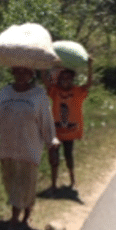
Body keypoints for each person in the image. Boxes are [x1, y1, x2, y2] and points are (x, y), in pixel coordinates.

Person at [0, 67, 59, 230]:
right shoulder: (4, 93)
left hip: (29, 149)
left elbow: (46, 122)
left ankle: (13, 223)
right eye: (17, 72)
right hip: (8, 149)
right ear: (12, 72)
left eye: (25, 72)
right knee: (15, 186)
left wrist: (51, 144)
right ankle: (25, 216)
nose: (21, 76)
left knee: (21, 186)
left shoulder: (39, 95)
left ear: (32, 74)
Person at [45, 58, 93, 191]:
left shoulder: (77, 92)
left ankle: (73, 180)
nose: (65, 80)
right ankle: (53, 184)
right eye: (63, 78)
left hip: (70, 133)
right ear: (59, 79)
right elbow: (45, 82)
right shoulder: (54, 91)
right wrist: (44, 65)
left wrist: (90, 66)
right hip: (56, 131)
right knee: (54, 158)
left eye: (68, 78)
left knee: (68, 155)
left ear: (72, 79)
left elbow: (88, 84)